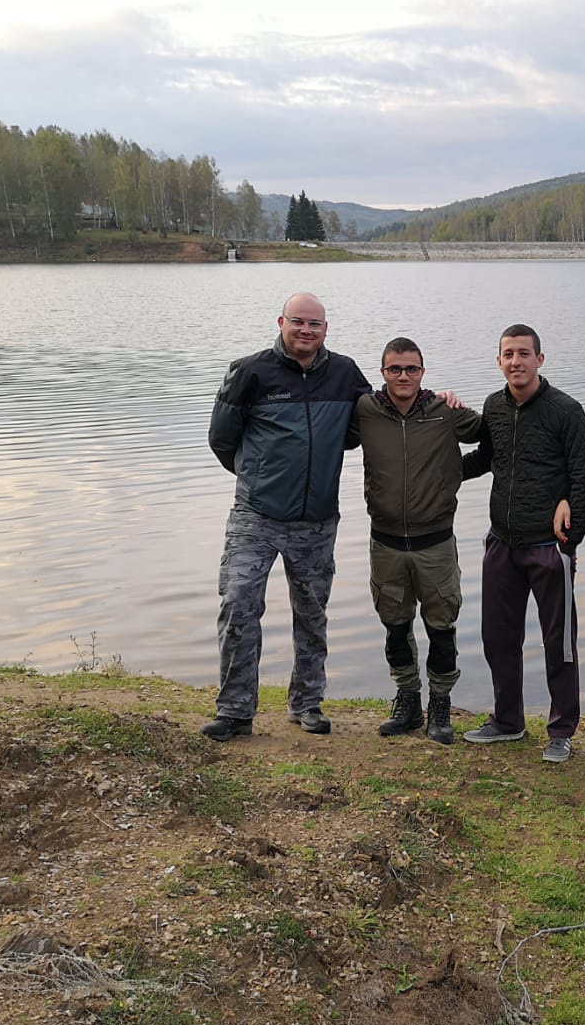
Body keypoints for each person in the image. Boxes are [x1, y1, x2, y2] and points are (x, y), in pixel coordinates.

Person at [204, 291, 368, 742]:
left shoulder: (345, 374)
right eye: (298, 322)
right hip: (256, 517)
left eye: (315, 324)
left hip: (317, 520)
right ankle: (235, 710)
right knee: (238, 603)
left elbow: (374, 422)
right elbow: (221, 439)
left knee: (312, 614)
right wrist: (257, 479)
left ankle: (306, 703)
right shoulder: (250, 371)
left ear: (326, 330)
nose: (306, 331)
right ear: (281, 322)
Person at [461, 324, 585, 763]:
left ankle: (561, 730)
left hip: (548, 546)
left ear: (541, 359)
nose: (516, 361)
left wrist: (569, 543)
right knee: (498, 637)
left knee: (559, 642)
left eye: (524, 353)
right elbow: (485, 459)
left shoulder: (566, 411)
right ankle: (507, 720)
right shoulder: (493, 407)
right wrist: (432, 465)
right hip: (501, 542)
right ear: (498, 360)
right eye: (508, 354)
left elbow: (584, 482)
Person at [348, 337, 484, 746]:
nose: (403, 376)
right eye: (395, 369)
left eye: (411, 369)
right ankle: (407, 699)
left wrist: (453, 475)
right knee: (395, 624)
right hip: (385, 542)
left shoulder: (446, 412)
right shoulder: (365, 411)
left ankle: (440, 706)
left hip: (435, 543)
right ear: (383, 372)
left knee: (441, 626)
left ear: (423, 372)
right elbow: (331, 436)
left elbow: (493, 442)